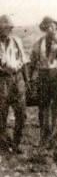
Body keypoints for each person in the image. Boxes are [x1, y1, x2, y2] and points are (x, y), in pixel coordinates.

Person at [30, 16, 57, 149]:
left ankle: (54, 139)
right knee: (43, 108)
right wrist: (31, 78)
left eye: (53, 27)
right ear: (44, 29)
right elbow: (33, 61)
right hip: (43, 75)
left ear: (56, 28)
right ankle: (44, 138)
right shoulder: (38, 43)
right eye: (48, 27)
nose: (51, 29)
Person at [0, 15, 27, 153]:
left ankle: (16, 144)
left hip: (18, 79)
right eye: (4, 27)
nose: (7, 30)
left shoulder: (17, 41)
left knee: (21, 114)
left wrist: (26, 81)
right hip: (1, 80)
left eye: (9, 28)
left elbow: (24, 61)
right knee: (1, 114)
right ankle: (4, 145)